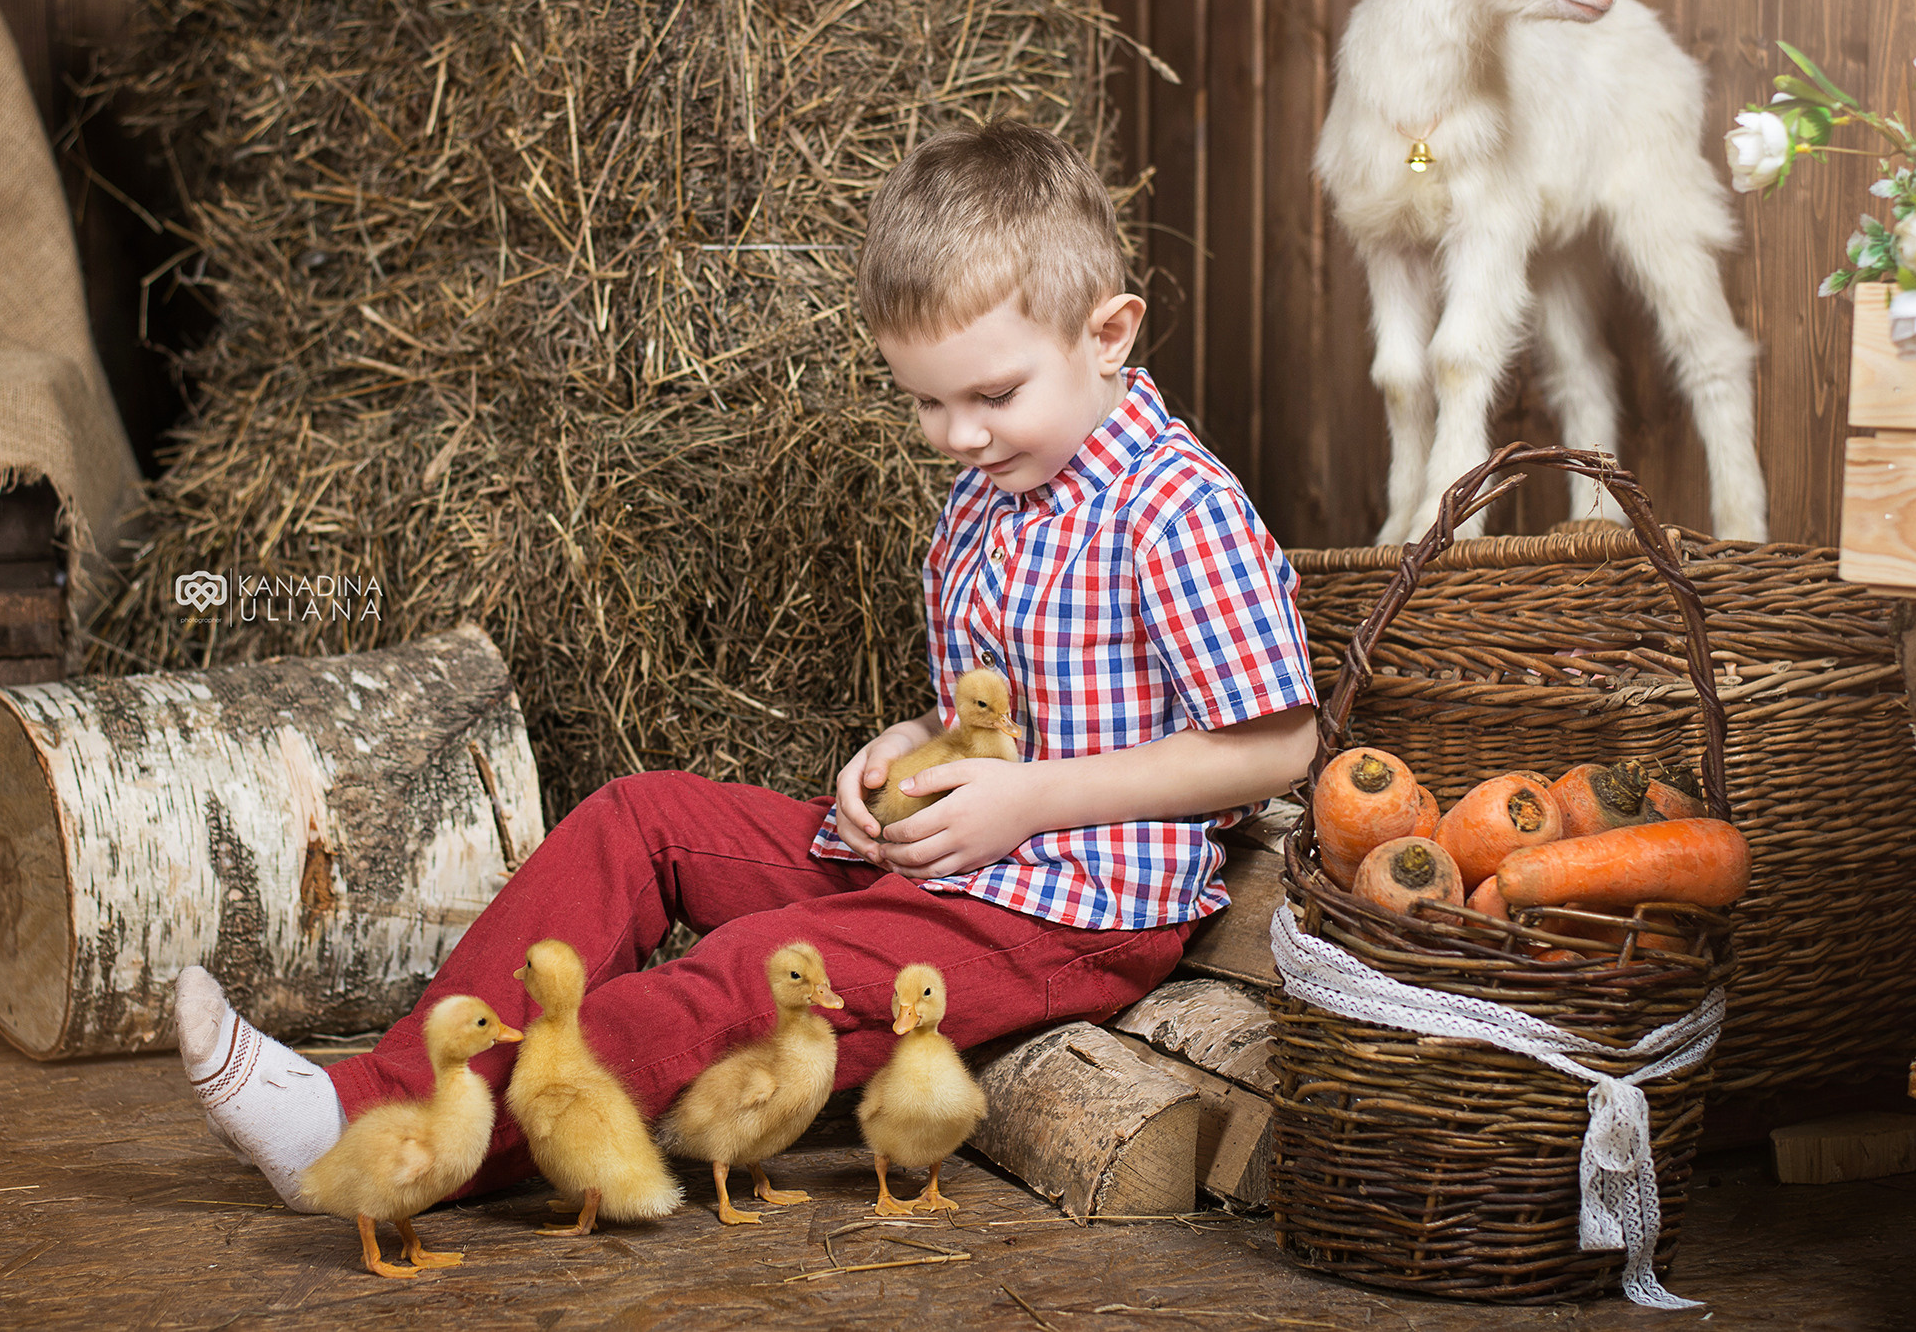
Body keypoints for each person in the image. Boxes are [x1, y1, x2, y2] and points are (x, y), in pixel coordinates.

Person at [176, 119, 1319, 1210]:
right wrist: (907, 750)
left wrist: (1030, 799)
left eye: (992, 394)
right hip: (953, 862)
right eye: (922, 398)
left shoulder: (1173, 508)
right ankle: (386, 1086)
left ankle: (391, 1137)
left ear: (1107, 334)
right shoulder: (994, 490)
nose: (955, 434)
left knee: (755, 968)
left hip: (1066, 916)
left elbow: (1280, 740)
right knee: (643, 817)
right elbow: (1004, 706)